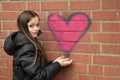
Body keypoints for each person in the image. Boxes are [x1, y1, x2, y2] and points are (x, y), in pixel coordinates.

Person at [4, 10, 73, 80]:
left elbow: (36, 68)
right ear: (23, 27)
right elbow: (38, 77)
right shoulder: (27, 47)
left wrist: (54, 63)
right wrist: (57, 65)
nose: (36, 29)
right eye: (31, 26)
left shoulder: (29, 41)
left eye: (37, 25)